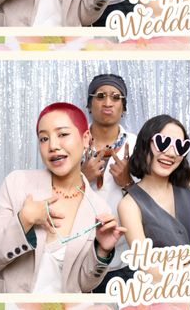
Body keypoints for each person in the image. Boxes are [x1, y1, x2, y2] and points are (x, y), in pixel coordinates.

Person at [0, 102, 125, 293]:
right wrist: (24, 221)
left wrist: (102, 251)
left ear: (86, 138)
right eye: (44, 138)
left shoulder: (99, 208)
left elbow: (83, 284)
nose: (53, 146)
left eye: (63, 134)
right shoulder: (17, 184)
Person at [80, 74, 138, 292]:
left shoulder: (138, 146)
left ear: (123, 106)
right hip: (78, 260)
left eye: (115, 97)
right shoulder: (71, 142)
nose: (107, 102)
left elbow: (152, 204)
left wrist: (127, 183)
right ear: (88, 103)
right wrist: (82, 177)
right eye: (100, 96)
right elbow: (54, 195)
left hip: (125, 263)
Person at [118, 115, 190, 277]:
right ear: (145, 144)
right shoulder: (129, 205)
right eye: (163, 143)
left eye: (180, 146)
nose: (172, 153)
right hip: (173, 292)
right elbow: (148, 267)